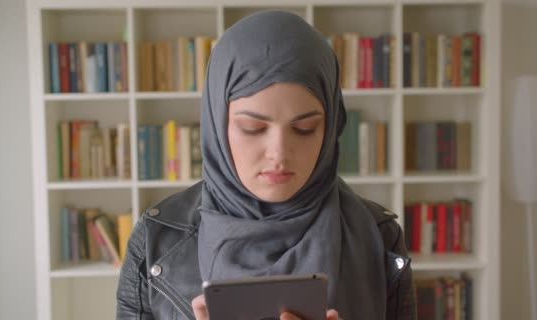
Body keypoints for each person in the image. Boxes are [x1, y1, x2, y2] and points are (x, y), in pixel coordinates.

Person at [116, 10, 415, 320]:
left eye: (305, 128)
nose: (279, 153)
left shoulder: (380, 238)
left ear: (331, 129)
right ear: (217, 125)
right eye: (252, 128)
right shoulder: (156, 242)